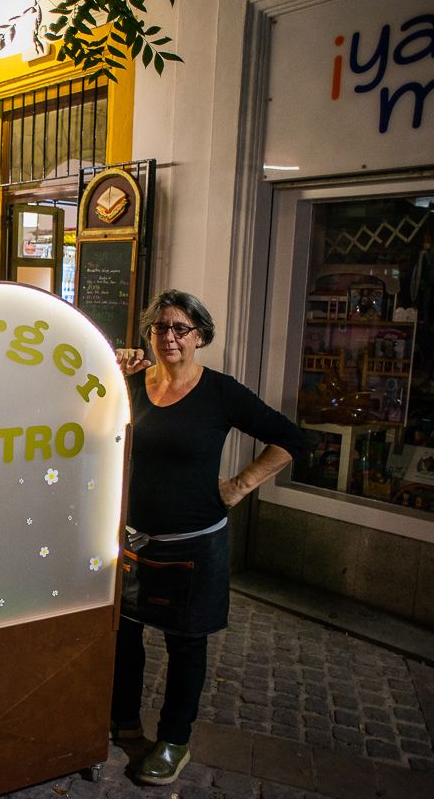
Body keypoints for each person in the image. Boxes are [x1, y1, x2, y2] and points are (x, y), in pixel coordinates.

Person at [111, 290, 303, 785]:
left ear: (200, 337)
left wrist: (239, 486)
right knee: (125, 636)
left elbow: (291, 438)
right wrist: (113, 366)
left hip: (195, 542)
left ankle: (174, 742)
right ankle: (123, 722)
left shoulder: (220, 392)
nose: (169, 337)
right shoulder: (131, 384)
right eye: (160, 328)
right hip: (135, 538)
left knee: (186, 644)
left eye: (181, 329)